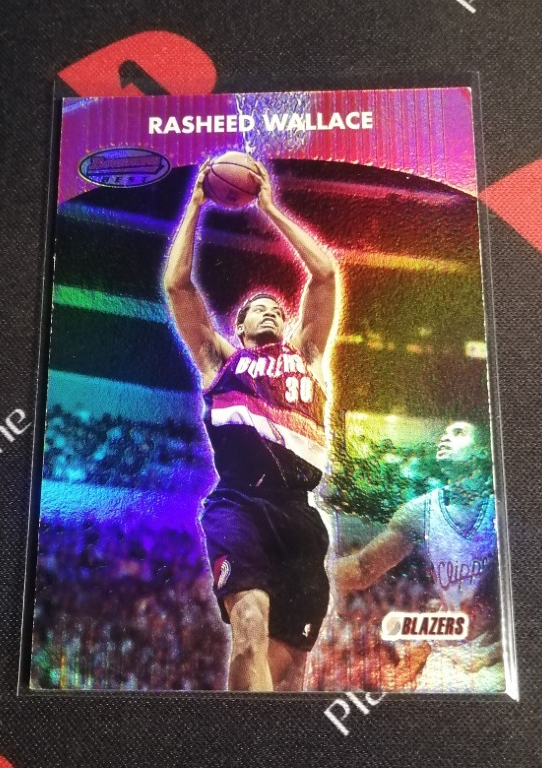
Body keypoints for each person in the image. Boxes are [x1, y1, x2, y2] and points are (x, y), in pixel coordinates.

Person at [163, 158, 337, 691]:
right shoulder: (221, 361)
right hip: (238, 503)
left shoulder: (307, 356)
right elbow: (178, 287)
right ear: (237, 328)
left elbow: (325, 274)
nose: (270, 312)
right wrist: (196, 203)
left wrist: (269, 208)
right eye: (258, 309)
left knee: (291, 669)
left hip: (299, 513)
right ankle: (246, 735)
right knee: (249, 625)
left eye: (277, 310)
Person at [332, 420, 505, 692]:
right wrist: (305, 572)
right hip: (450, 652)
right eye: (444, 433)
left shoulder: (500, 511)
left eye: (458, 433)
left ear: (482, 452)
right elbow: (362, 568)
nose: (444, 438)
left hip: (500, 654)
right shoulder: (420, 511)